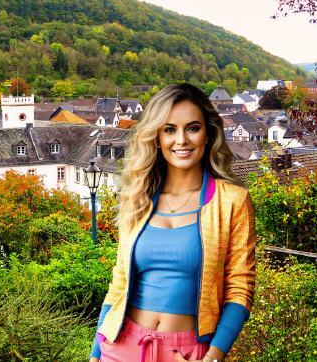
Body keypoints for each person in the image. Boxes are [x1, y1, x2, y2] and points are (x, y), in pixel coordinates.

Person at [89, 84, 257, 362]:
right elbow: (119, 284)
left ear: (208, 133)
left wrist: (213, 357)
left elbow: (240, 288)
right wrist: (96, 355)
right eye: (169, 129)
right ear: (156, 137)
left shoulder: (232, 201)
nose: (182, 140)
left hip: (187, 352)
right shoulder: (137, 199)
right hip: (120, 348)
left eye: (192, 128)